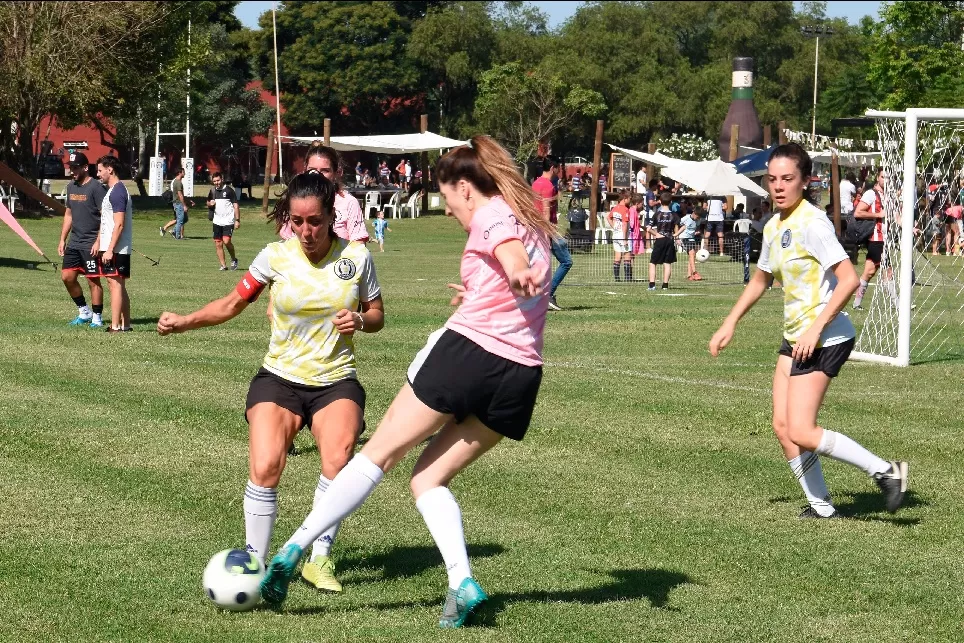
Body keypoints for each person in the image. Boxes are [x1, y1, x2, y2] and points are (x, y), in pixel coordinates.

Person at [259, 135, 553, 629]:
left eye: (449, 199)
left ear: (464, 187)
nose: (453, 214)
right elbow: (517, 277)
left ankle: (293, 549)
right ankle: (462, 583)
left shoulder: (493, 213)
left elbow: (507, 251)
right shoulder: (533, 221)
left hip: (469, 355)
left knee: (377, 457)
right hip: (520, 375)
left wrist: (515, 270)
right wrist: (489, 284)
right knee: (428, 479)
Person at [158, 171, 385, 593]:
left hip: (335, 381)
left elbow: (377, 315)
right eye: (297, 222)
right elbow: (231, 304)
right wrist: (184, 321)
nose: (305, 231)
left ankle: (317, 559)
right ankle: (255, 563)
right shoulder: (274, 256)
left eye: (314, 221)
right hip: (279, 378)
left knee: (338, 458)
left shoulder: (356, 258)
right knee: (265, 467)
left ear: (331, 216)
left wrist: (360, 319)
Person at [709, 143, 908, 520]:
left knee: (801, 428)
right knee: (783, 427)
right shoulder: (773, 225)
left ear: (805, 181)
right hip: (796, 338)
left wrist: (816, 328)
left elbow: (849, 278)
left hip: (826, 335)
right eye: (772, 179)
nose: (779, 186)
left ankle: (887, 471)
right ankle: (821, 507)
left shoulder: (813, 223)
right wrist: (729, 322)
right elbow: (760, 280)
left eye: (788, 178)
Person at [58, 151, 107, 327]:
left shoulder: (96, 188)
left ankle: (97, 317)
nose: (72, 171)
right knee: (67, 277)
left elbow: (105, 217)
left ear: (86, 167)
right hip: (74, 242)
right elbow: (69, 214)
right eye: (71, 168)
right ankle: (84, 312)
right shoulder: (71, 186)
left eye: (76, 167)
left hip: (90, 243)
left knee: (92, 280)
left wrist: (99, 241)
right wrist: (63, 239)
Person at [93, 155, 133, 332]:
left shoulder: (117, 191)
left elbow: (119, 224)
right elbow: (107, 222)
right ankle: (126, 325)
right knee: (119, 285)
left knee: (114, 285)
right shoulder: (113, 190)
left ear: (110, 169)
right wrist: (98, 242)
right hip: (113, 247)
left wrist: (109, 250)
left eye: (100, 170)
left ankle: (115, 326)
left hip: (116, 249)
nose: (98, 174)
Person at [532, 156, 572, 310]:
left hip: (535, 227)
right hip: (547, 229)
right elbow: (546, 211)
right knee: (566, 261)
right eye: (558, 168)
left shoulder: (535, 184)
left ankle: (535, 298)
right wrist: (547, 234)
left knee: (538, 265)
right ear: (553, 167)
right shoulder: (548, 185)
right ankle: (548, 295)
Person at [852, 170, 887, 309]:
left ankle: (856, 303)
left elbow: (895, 216)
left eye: (888, 177)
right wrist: (878, 214)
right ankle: (899, 304)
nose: (886, 180)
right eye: (883, 177)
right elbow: (858, 212)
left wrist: (911, 229)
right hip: (875, 238)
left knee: (869, 272)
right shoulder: (871, 194)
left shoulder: (888, 195)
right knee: (888, 271)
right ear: (878, 178)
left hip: (885, 238)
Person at [206, 172, 241, 271]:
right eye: (214, 181)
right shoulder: (212, 191)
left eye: (218, 180)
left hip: (228, 221)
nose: (216, 183)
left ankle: (234, 259)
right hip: (217, 221)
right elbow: (208, 202)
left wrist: (237, 220)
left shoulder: (229, 191)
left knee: (226, 241)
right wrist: (210, 203)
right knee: (218, 243)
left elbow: (236, 206)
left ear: (222, 179)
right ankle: (223, 265)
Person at [647, 191, 681, 290]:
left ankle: (652, 285)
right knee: (667, 263)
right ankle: (665, 285)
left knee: (653, 262)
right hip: (670, 239)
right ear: (671, 202)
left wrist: (656, 234)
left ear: (660, 201)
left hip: (660, 239)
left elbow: (648, 228)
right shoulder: (674, 215)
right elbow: (683, 226)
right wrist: (676, 234)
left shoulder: (657, 214)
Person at [608, 190, 632, 281]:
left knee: (617, 256)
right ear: (625, 199)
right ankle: (627, 278)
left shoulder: (615, 208)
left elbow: (608, 217)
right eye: (629, 198)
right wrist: (625, 238)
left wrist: (614, 227)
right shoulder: (625, 209)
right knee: (627, 254)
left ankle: (617, 278)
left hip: (616, 234)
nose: (630, 200)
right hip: (623, 235)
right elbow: (625, 224)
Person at [161, 167, 191, 239]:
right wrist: (184, 205)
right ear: (179, 173)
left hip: (178, 203)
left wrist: (188, 201)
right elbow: (180, 195)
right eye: (183, 172)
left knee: (184, 219)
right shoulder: (178, 183)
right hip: (178, 203)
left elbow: (181, 195)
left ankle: (174, 231)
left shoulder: (177, 182)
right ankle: (177, 236)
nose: (185, 173)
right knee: (180, 220)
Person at [678, 204, 702, 281]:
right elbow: (676, 224)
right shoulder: (685, 218)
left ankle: (689, 275)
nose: (698, 218)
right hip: (684, 238)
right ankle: (695, 272)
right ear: (694, 213)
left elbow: (697, 228)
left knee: (691, 256)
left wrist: (697, 232)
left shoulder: (698, 220)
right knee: (692, 253)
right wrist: (676, 237)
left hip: (692, 238)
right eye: (697, 217)